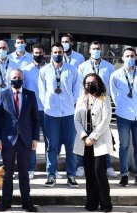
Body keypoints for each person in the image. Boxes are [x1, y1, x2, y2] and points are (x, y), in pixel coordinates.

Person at [0, 69, 39, 212]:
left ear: (23, 79)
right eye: (14, 77)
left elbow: (36, 118)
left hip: (25, 139)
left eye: (19, 77)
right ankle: (5, 202)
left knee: (24, 173)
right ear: (9, 79)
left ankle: (27, 202)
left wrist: (35, 138)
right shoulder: (2, 95)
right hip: (7, 140)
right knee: (7, 173)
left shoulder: (30, 95)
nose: (16, 79)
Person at [38, 42, 80, 188]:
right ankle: (51, 175)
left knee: (70, 146)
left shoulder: (72, 70)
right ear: (51, 53)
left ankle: (71, 176)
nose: (57, 55)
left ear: (63, 53)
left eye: (60, 52)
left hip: (68, 113)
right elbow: (42, 91)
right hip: (51, 113)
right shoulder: (44, 71)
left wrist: (70, 103)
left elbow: (77, 90)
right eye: (55, 52)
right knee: (52, 146)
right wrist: (47, 106)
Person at [76, 41, 116, 178]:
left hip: (101, 105)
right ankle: (81, 166)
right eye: (93, 49)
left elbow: (110, 87)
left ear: (101, 50)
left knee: (103, 142)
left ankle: (109, 166)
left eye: (98, 48)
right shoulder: (82, 67)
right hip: (87, 104)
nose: (96, 51)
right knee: (87, 154)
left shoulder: (109, 67)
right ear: (89, 51)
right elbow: (81, 86)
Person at [74, 73, 113, 212]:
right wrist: (84, 137)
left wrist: (93, 137)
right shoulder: (81, 99)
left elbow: (106, 119)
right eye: (87, 83)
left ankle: (105, 203)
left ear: (98, 83)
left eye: (93, 82)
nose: (90, 85)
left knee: (99, 171)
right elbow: (77, 120)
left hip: (99, 139)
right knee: (89, 173)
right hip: (85, 141)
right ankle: (91, 203)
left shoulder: (105, 98)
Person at [0, 40, 18, 165]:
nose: (2, 50)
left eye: (4, 48)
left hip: (9, 105)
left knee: (9, 134)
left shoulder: (15, 65)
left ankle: (8, 165)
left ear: (8, 49)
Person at [110, 47, 137, 187]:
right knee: (124, 146)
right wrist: (121, 107)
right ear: (123, 57)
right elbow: (113, 95)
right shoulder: (116, 75)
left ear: (136, 57)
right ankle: (124, 175)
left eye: (132, 55)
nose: (130, 58)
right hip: (123, 115)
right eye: (127, 56)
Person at [23, 43, 47, 179]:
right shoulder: (26, 70)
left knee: (50, 141)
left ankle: (51, 170)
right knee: (32, 141)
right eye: (36, 53)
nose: (38, 55)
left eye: (41, 53)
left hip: (48, 109)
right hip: (32, 110)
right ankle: (31, 168)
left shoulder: (50, 69)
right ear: (32, 53)